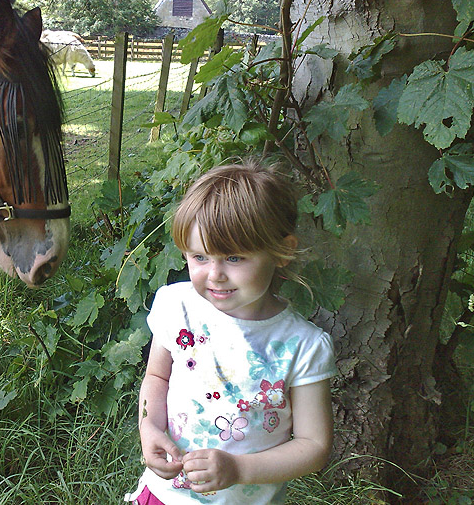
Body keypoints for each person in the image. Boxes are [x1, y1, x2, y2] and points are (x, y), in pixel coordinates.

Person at [125, 161, 338, 504]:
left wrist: (238, 469)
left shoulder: (303, 346)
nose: (215, 274)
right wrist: (149, 427)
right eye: (199, 257)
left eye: (235, 258)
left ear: (281, 251)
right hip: (165, 495)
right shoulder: (176, 306)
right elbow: (156, 376)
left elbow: (314, 446)